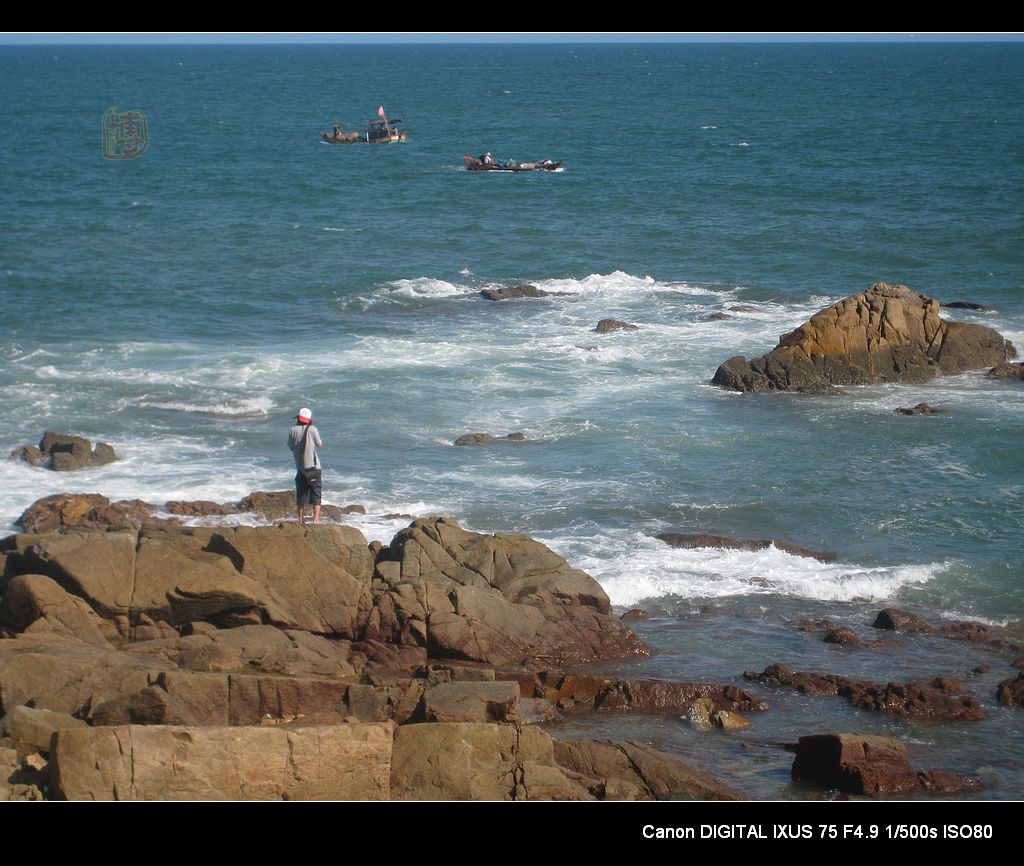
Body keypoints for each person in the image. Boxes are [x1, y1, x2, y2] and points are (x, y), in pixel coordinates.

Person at [287, 407, 323, 525]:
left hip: (300, 468)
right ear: (309, 419)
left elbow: (291, 447)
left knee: (301, 495)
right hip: (314, 467)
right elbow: (319, 444)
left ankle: (301, 520)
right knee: (316, 494)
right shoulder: (312, 429)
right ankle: (315, 520)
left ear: (298, 418)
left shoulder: (292, 430)